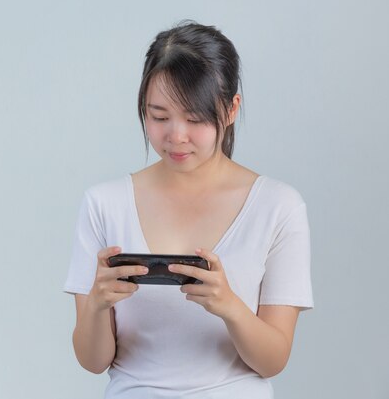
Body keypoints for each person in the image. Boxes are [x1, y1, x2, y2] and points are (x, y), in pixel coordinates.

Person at [63, 21, 313, 399]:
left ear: (230, 110)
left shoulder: (278, 206)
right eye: (159, 116)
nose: (176, 136)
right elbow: (93, 360)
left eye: (195, 119)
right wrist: (97, 305)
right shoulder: (104, 204)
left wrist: (229, 306)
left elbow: (272, 360)